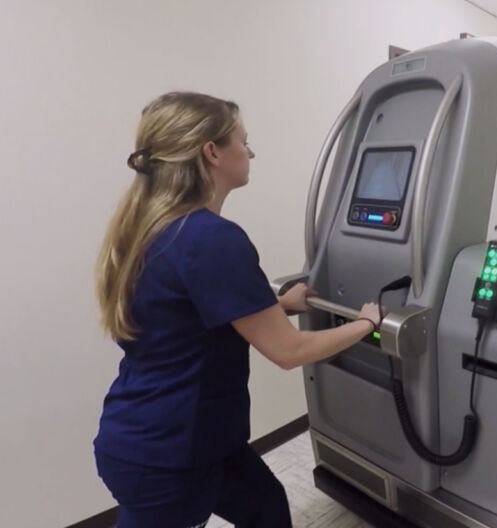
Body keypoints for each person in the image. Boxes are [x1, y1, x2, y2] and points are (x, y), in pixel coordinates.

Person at [93, 91, 381, 528]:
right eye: (242, 141)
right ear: (212, 152)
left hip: (191, 437)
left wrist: (279, 304)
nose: (249, 152)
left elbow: (191, 314)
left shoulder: (153, 227)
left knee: (266, 508)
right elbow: (290, 352)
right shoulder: (211, 239)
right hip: (167, 456)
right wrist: (367, 323)